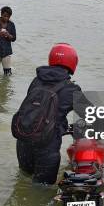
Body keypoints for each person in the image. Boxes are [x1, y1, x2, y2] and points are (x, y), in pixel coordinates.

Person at [15, 44, 86, 185]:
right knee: (42, 192)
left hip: (23, 143)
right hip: (46, 150)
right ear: (73, 62)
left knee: (23, 182)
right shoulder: (71, 89)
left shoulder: (36, 81)